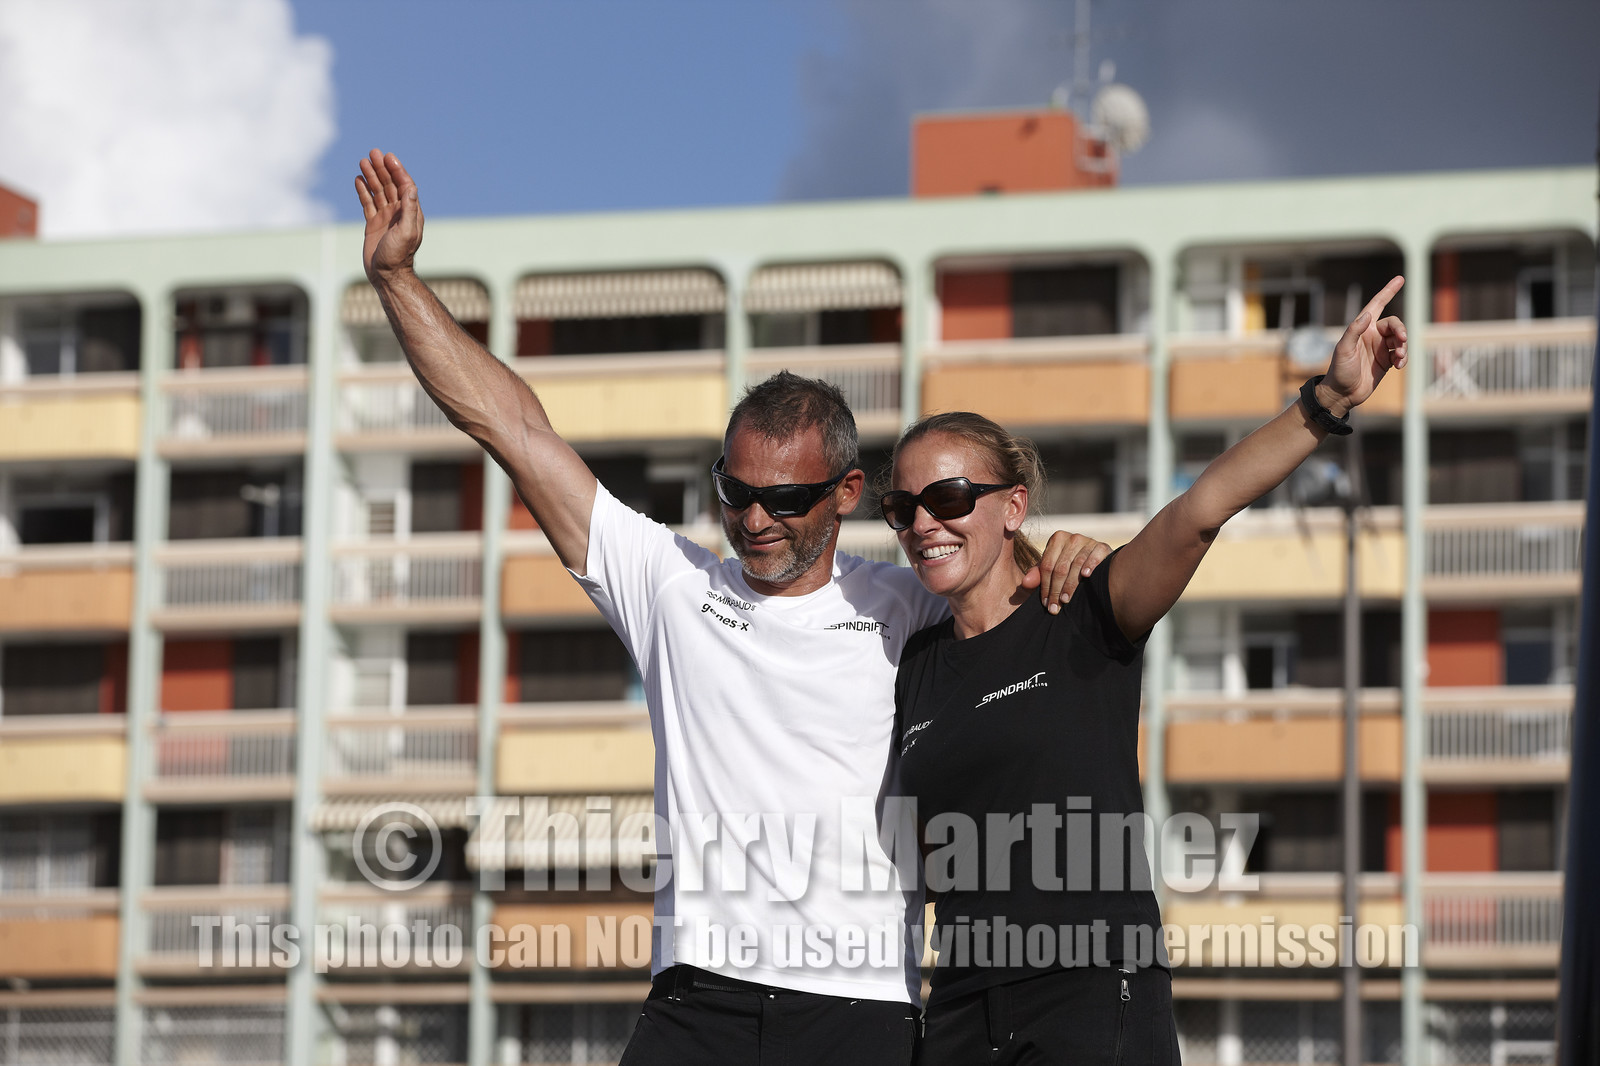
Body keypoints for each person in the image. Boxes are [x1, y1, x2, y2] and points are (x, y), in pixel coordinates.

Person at [353, 149, 1112, 1065]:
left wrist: (1074, 552)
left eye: (786, 499)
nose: (755, 519)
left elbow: (1014, 573)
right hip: (695, 1001)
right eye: (735, 490)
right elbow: (513, 427)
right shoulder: (672, 587)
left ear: (846, 492)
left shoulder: (909, 601)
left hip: (859, 1008)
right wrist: (396, 278)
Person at [883, 278, 1408, 1065]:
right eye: (904, 508)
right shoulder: (914, 665)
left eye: (950, 495)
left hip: (1092, 991)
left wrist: (1326, 401)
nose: (926, 522)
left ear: (1013, 505)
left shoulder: (1083, 612)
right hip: (959, 1010)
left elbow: (1202, 510)